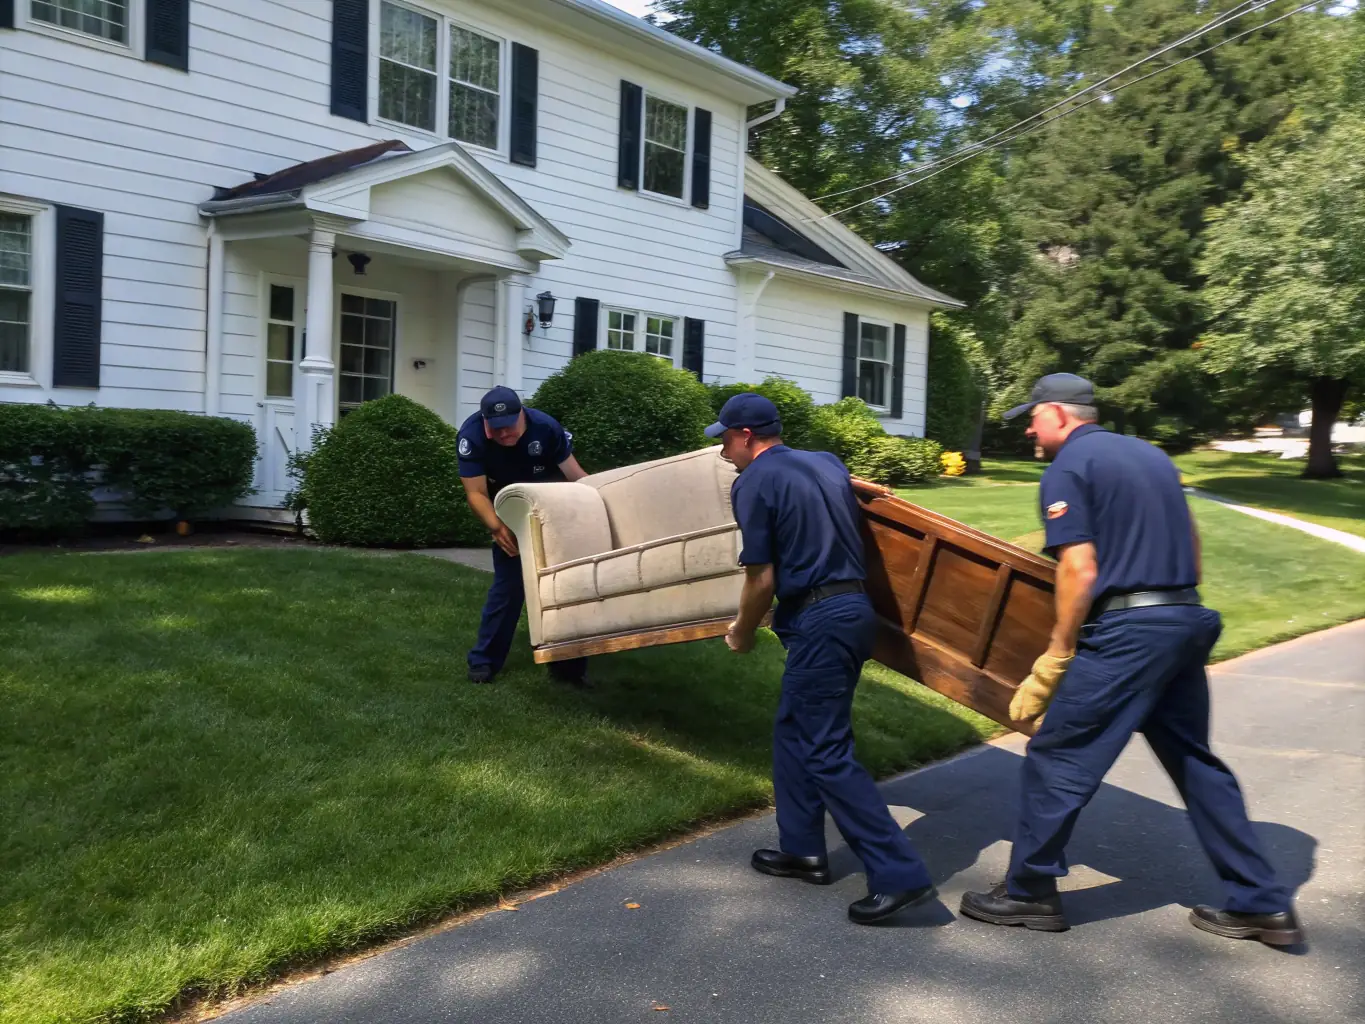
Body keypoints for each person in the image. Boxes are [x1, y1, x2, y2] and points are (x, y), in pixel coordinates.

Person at [959, 373, 1303, 945]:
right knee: (1194, 761)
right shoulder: (1151, 457)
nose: (1028, 427)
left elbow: (1079, 569)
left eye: (1033, 415)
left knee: (1059, 755)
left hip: (1129, 631)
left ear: (1061, 415)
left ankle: (1027, 893)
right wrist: (1173, 609)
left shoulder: (1068, 468)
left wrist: (1059, 649)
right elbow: (1191, 542)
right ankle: (1262, 903)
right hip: (1184, 616)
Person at [713, 393, 938, 924]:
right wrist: (866, 487)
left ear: (746, 437)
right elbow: (843, 484)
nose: (723, 452)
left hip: (818, 618)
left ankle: (900, 875)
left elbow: (761, 578)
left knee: (824, 749)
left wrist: (742, 631)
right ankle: (803, 850)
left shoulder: (752, 483)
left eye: (725, 440)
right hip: (854, 611)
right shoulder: (827, 462)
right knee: (794, 728)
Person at [456, 385, 589, 687]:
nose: (504, 435)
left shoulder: (546, 427)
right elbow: (475, 492)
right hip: (510, 511)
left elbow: (575, 475)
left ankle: (568, 668)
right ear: (485, 421)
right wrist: (497, 527)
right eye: (496, 429)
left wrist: (598, 500)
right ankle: (483, 662)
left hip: (554, 504)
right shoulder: (472, 435)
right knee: (510, 586)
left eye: (510, 427)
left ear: (522, 415)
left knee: (566, 586)